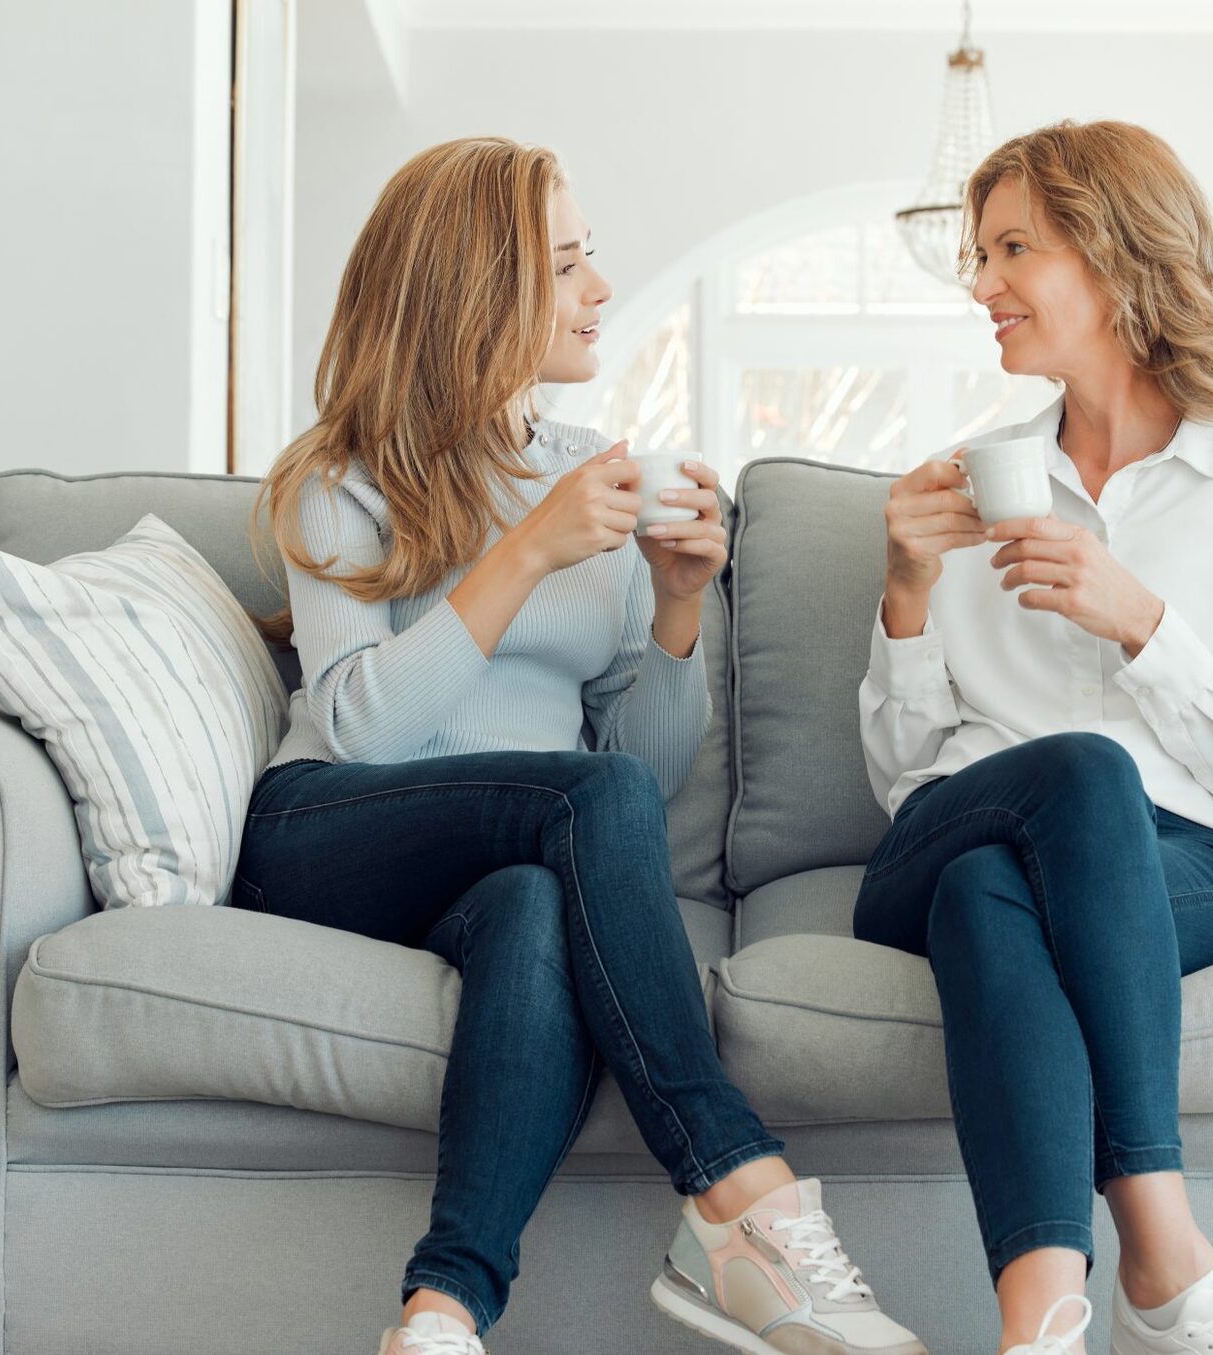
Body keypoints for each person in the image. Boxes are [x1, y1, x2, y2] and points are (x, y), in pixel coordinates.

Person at [242, 136, 927, 1355]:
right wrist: (524, 551)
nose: (599, 289)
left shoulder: (591, 478)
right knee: (574, 805)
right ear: (479, 288)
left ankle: (441, 1313)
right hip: (330, 829)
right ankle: (737, 1191)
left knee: (531, 908)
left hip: (504, 856)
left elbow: (638, 784)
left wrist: (676, 606)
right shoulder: (341, 476)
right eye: (566, 265)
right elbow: (356, 728)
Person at [855, 119, 1213, 1355]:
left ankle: (1040, 1326)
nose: (982, 284)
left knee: (988, 894)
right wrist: (905, 586)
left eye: (1013, 248)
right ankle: (1166, 1261)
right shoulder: (970, 482)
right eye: (979, 254)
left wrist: (1145, 624)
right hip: (945, 831)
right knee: (1065, 780)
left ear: (1119, 254)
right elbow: (905, 780)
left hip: (1173, 870)